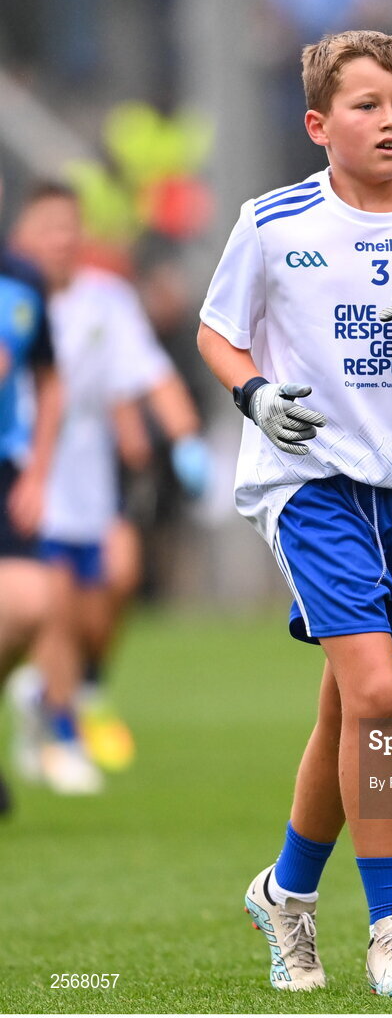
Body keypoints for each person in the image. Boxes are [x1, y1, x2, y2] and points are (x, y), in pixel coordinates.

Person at [197, 28, 392, 995]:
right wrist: (255, 397)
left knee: (351, 701)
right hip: (309, 481)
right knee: (379, 695)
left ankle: (285, 893)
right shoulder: (272, 221)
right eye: (368, 105)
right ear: (317, 123)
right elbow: (219, 333)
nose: (390, 121)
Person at [8, 181, 209, 793]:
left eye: (70, 227)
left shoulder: (107, 299)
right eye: (48, 228)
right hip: (26, 471)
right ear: (22, 237)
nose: (61, 240)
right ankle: (60, 732)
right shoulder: (16, 300)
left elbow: (149, 373)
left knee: (118, 578)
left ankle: (73, 686)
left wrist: (186, 440)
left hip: (93, 471)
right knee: (56, 601)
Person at [0, 175, 62, 813]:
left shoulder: (22, 280)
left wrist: (38, 473)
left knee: (27, 603)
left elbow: (49, 381)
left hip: (5, 469)